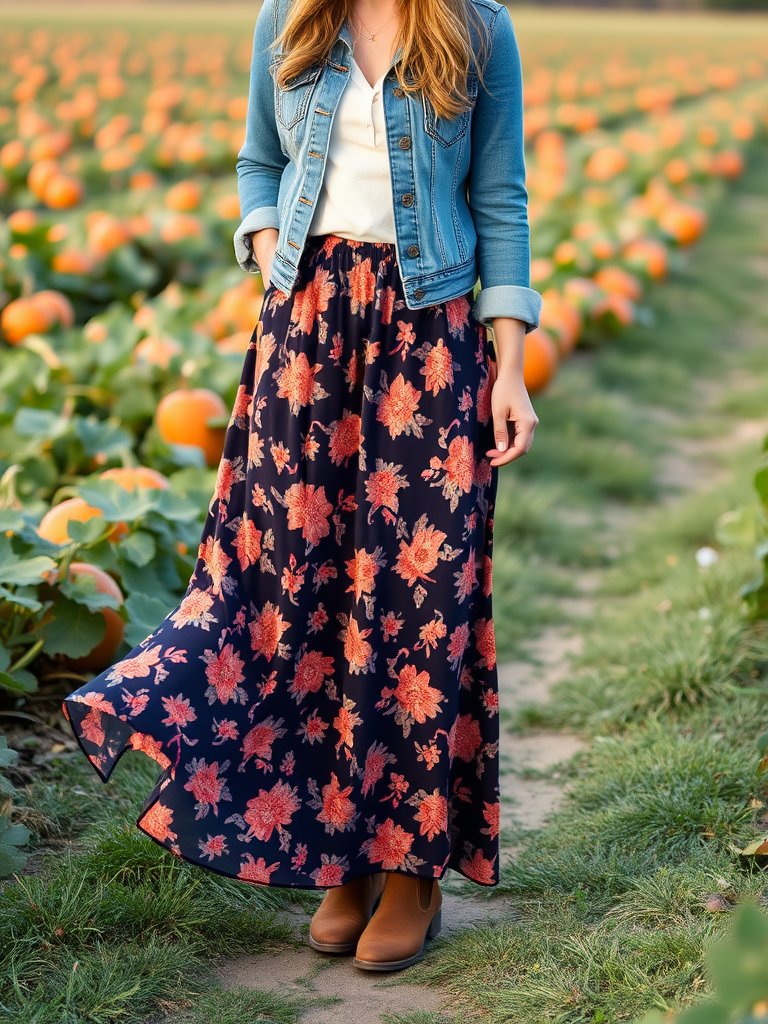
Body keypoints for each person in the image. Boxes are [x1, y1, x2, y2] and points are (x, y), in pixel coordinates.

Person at [62, 0, 542, 974]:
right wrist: (270, 255)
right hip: (306, 336)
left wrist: (511, 367)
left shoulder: (477, 29)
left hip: (426, 338)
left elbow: (501, 200)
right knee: (302, 596)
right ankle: (339, 857)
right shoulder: (288, 19)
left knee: (416, 606)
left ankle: (409, 868)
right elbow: (258, 163)